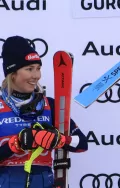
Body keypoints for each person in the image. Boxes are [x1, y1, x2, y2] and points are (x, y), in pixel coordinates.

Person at [0, 36, 88, 188]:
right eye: (29, 69)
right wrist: (15, 144)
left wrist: (59, 140)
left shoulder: (50, 105)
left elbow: (82, 143)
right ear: (12, 73)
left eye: (38, 68)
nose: (36, 75)